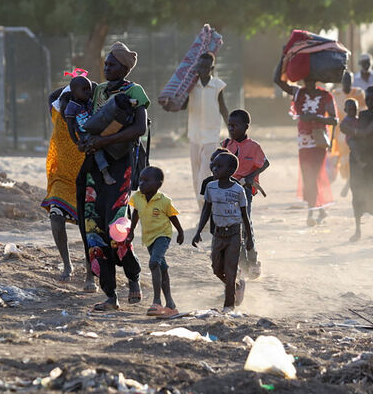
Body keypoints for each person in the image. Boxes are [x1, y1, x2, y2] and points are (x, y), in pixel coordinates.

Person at [76, 41, 149, 311]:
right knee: (94, 230)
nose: (107, 68)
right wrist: (86, 142)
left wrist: (102, 143)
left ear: (125, 68)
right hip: (95, 167)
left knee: (117, 229)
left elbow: (139, 128)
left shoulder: (134, 91)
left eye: (113, 64)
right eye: (106, 64)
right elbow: (87, 123)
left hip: (121, 166)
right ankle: (110, 295)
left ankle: (133, 277)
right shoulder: (99, 92)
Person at [41, 85, 96, 290]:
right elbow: (51, 95)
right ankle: (67, 264)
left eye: (72, 102)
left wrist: (84, 88)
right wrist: (72, 83)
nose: (67, 107)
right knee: (56, 217)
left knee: (88, 229)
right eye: (65, 102)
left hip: (86, 178)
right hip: (61, 178)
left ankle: (91, 275)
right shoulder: (56, 113)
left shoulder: (87, 118)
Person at [192, 152, 253, 312]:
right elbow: (206, 209)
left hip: (234, 234)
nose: (214, 168)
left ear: (231, 169)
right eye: (213, 165)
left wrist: (249, 238)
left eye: (219, 166)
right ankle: (236, 285)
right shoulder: (210, 187)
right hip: (218, 234)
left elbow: (244, 215)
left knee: (230, 269)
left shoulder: (238, 190)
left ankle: (229, 305)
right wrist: (198, 231)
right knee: (216, 268)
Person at [275, 73, 337, 227]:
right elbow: (277, 81)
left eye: (310, 79)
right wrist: (285, 54)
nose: (307, 82)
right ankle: (320, 208)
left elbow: (334, 119)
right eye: (305, 79)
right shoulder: (299, 93)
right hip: (303, 140)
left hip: (319, 139)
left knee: (313, 174)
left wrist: (316, 118)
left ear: (316, 80)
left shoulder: (325, 95)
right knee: (308, 174)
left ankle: (311, 212)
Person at [129, 166, 184, 319]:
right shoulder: (138, 197)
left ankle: (156, 302)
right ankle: (171, 305)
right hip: (148, 238)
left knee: (154, 263)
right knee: (162, 268)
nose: (141, 183)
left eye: (146, 180)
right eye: (140, 180)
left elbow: (173, 216)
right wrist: (131, 231)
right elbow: (136, 213)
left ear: (158, 184)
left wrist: (180, 231)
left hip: (162, 236)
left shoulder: (164, 201)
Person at [221, 109, 269, 279]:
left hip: (245, 191)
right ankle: (241, 263)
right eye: (229, 125)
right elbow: (217, 164)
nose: (231, 128)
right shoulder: (226, 145)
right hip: (227, 191)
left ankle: (253, 260)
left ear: (246, 126)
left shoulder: (253, 147)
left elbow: (265, 163)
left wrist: (249, 177)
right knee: (232, 227)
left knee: (245, 225)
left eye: (235, 125)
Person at [341, 86, 373, 242]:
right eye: (367, 99)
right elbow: (344, 126)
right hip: (358, 158)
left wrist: (352, 131)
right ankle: (358, 230)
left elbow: (367, 132)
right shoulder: (361, 115)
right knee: (358, 192)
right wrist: (352, 133)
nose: (369, 101)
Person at [185, 52, 228, 207]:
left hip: (211, 133)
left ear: (212, 68)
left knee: (205, 168)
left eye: (206, 67)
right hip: (194, 134)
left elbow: (223, 107)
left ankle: (204, 199)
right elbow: (182, 105)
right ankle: (200, 203)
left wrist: (231, 127)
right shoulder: (190, 85)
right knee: (195, 170)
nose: (202, 69)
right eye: (200, 66)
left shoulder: (217, 85)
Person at [64, 76, 115, 185]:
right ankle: (105, 172)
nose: (88, 92)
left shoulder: (89, 102)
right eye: (84, 89)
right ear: (74, 92)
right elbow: (70, 126)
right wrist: (76, 141)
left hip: (96, 129)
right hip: (85, 134)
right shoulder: (71, 107)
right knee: (96, 149)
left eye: (89, 89)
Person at [331, 71, 365, 196]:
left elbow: (363, 112)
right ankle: (349, 182)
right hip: (340, 132)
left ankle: (349, 184)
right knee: (344, 160)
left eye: (349, 79)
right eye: (345, 79)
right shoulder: (336, 94)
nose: (347, 82)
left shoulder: (358, 93)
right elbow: (332, 114)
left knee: (354, 158)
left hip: (355, 131)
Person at [340, 99, 366, 169]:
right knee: (354, 147)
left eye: (354, 109)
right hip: (350, 139)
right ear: (345, 110)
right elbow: (342, 127)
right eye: (350, 110)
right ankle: (360, 161)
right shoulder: (346, 120)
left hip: (357, 138)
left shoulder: (357, 118)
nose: (353, 112)